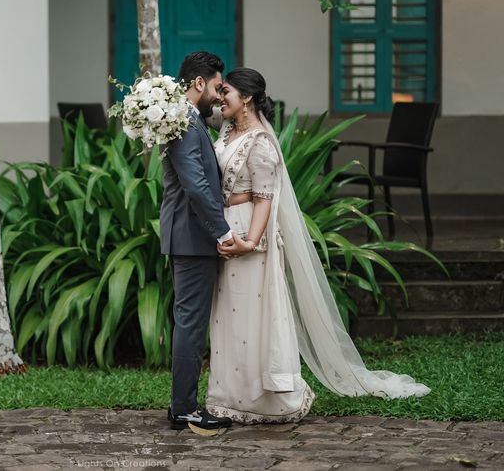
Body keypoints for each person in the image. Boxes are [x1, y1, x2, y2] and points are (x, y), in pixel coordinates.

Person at [206, 67, 430, 424]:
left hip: (250, 230)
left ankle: (267, 399)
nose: (221, 98)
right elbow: (197, 107)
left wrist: (250, 242)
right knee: (228, 315)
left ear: (246, 98)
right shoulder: (228, 127)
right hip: (225, 226)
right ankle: (227, 396)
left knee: (252, 314)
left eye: (227, 92)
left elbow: (265, 197)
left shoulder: (261, 142)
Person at [160, 51, 253, 431]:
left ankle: (183, 404)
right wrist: (224, 232)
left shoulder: (189, 119)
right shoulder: (183, 122)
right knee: (191, 324)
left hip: (188, 235)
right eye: (217, 86)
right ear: (199, 83)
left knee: (191, 322)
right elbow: (196, 187)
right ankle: (183, 409)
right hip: (192, 236)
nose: (219, 94)